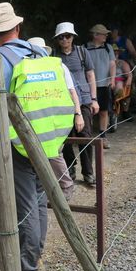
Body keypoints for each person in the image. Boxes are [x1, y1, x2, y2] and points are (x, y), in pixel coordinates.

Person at [0, 3, 73, 271]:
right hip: (48, 139)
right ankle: (36, 258)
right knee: (39, 200)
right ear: (18, 28)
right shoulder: (40, 53)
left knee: (26, 207)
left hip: (18, 146)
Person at [27, 37, 82, 201]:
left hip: (57, 118)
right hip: (37, 118)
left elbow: (71, 91)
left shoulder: (58, 66)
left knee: (54, 152)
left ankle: (66, 185)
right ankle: (50, 188)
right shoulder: (27, 68)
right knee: (41, 154)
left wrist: (78, 113)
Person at [53, 22, 99, 186]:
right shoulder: (54, 57)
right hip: (63, 103)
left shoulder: (82, 52)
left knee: (85, 137)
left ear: (73, 37)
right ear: (57, 39)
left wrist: (94, 99)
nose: (65, 39)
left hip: (84, 99)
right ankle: (70, 170)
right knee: (65, 139)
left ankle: (88, 173)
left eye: (68, 36)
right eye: (61, 37)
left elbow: (91, 75)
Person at [85, 24, 116, 149]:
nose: (106, 36)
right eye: (103, 34)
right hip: (88, 86)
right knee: (89, 112)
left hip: (104, 85)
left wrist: (112, 79)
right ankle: (87, 138)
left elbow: (112, 64)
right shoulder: (85, 48)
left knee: (104, 111)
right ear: (95, 35)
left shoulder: (108, 48)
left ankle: (103, 137)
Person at [111, 43, 133, 124]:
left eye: (116, 51)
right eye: (113, 51)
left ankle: (122, 110)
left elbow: (129, 75)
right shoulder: (106, 62)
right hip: (108, 82)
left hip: (120, 82)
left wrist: (128, 83)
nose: (115, 53)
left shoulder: (122, 63)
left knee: (119, 86)